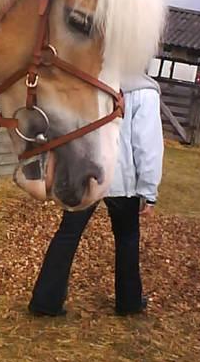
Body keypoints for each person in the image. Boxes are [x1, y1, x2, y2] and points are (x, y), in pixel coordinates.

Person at [28, 73, 163, 317]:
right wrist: (148, 190)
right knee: (127, 238)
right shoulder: (145, 91)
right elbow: (147, 143)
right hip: (122, 178)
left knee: (68, 234)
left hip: (84, 172)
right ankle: (129, 301)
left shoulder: (90, 80)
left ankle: (46, 301)